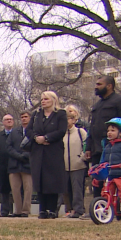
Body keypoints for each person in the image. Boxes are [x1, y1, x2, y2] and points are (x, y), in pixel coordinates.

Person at [84, 75, 121, 209]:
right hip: (98, 148)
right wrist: (88, 147)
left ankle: (117, 208)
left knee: (115, 181)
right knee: (97, 179)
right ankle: (99, 208)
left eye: (99, 84)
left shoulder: (120, 101)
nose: (96, 87)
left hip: (115, 148)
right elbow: (92, 126)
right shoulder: (97, 105)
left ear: (109, 86)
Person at [28, 91, 68, 219]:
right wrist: (36, 138)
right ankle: (42, 209)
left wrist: (47, 138)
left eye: (46, 99)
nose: (43, 101)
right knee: (40, 179)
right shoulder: (36, 115)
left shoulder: (60, 114)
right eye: (41, 99)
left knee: (52, 180)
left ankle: (52, 209)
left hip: (53, 151)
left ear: (53, 100)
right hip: (38, 151)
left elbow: (61, 130)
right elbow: (28, 130)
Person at [94, 118, 121, 222]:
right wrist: (98, 175)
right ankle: (108, 211)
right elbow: (102, 162)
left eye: (112, 130)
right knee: (106, 193)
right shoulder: (107, 146)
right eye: (108, 131)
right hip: (109, 175)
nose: (109, 133)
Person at [63, 105, 88, 218]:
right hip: (64, 166)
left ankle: (79, 210)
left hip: (78, 165)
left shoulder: (80, 132)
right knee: (66, 190)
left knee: (77, 189)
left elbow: (86, 145)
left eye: (69, 118)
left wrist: (81, 158)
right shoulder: (62, 133)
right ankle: (70, 209)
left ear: (73, 120)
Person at [8, 111, 32, 217]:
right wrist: (18, 155)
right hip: (14, 164)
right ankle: (17, 210)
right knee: (15, 188)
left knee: (28, 188)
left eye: (26, 117)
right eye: (22, 117)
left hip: (28, 164)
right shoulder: (14, 132)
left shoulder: (34, 131)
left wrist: (26, 155)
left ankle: (25, 210)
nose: (24, 119)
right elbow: (8, 146)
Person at [0, 114, 14, 217]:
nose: (9, 121)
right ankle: (5, 210)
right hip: (2, 165)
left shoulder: (17, 134)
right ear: (3, 122)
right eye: (7, 120)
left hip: (15, 165)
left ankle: (17, 210)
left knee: (16, 188)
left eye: (11, 119)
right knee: (4, 188)